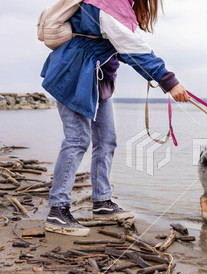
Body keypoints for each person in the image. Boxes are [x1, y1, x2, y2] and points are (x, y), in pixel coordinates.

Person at [40, 0, 189, 236]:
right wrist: (168, 80)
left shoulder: (120, 5)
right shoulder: (107, 3)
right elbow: (131, 47)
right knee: (78, 139)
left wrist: (164, 78)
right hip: (75, 73)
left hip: (96, 78)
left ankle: (102, 202)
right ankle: (58, 210)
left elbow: (127, 47)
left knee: (107, 139)